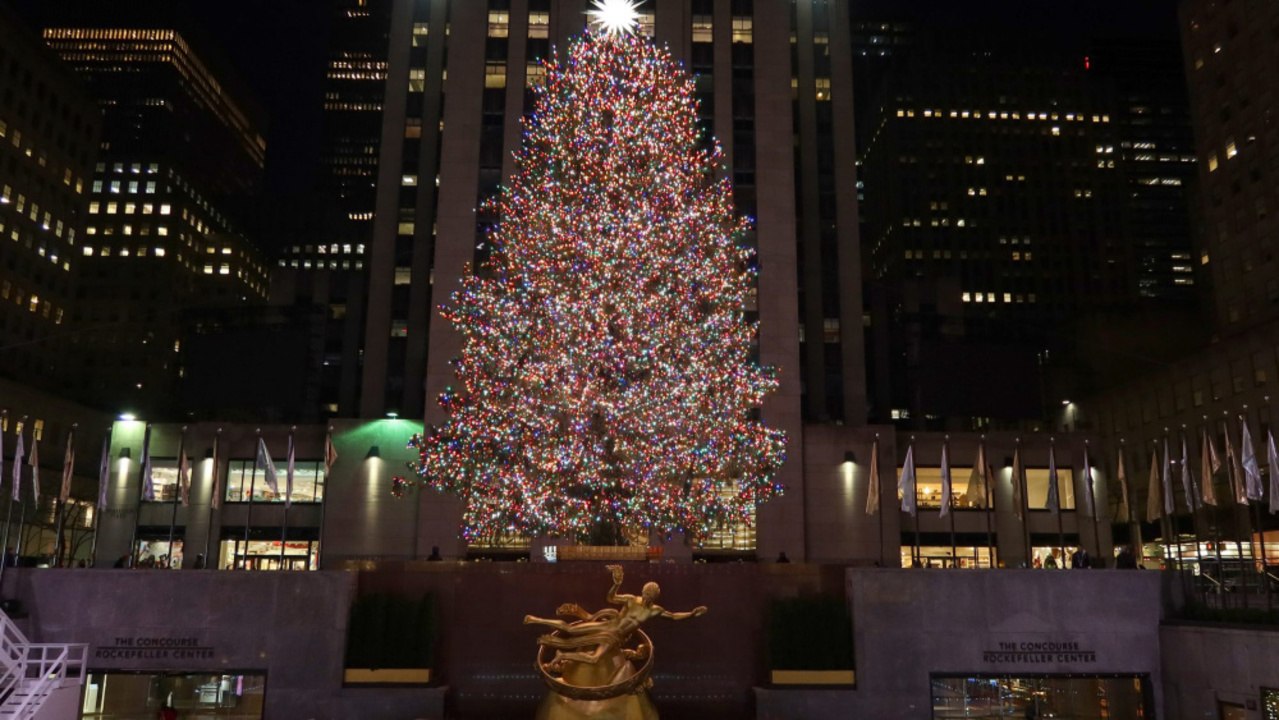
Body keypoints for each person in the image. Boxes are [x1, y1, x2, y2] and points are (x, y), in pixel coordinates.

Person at [525, 564, 706, 671]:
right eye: (646, 593)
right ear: (643, 592)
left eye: (651, 595)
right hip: (609, 626)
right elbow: (611, 598)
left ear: (655, 597)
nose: (647, 597)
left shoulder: (654, 610)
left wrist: (691, 614)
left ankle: (563, 654)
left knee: (595, 658)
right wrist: (616, 584)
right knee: (570, 629)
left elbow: (673, 616)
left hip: (616, 637)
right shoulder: (630, 599)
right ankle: (536, 620)